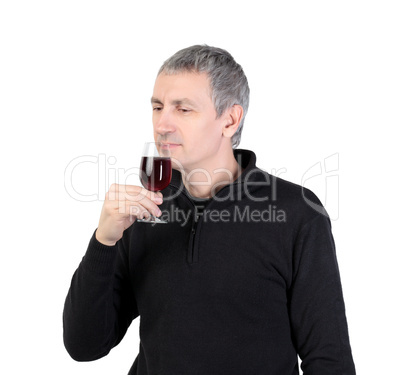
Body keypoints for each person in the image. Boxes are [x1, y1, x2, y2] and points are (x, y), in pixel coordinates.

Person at [63, 45, 356, 375]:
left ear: (229, 120)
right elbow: (84, 345)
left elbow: (329, 360)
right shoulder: (142, 211)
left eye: (183, 110)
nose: (162, 124)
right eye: (158, 107)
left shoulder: (297, 213)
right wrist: (104, 240)